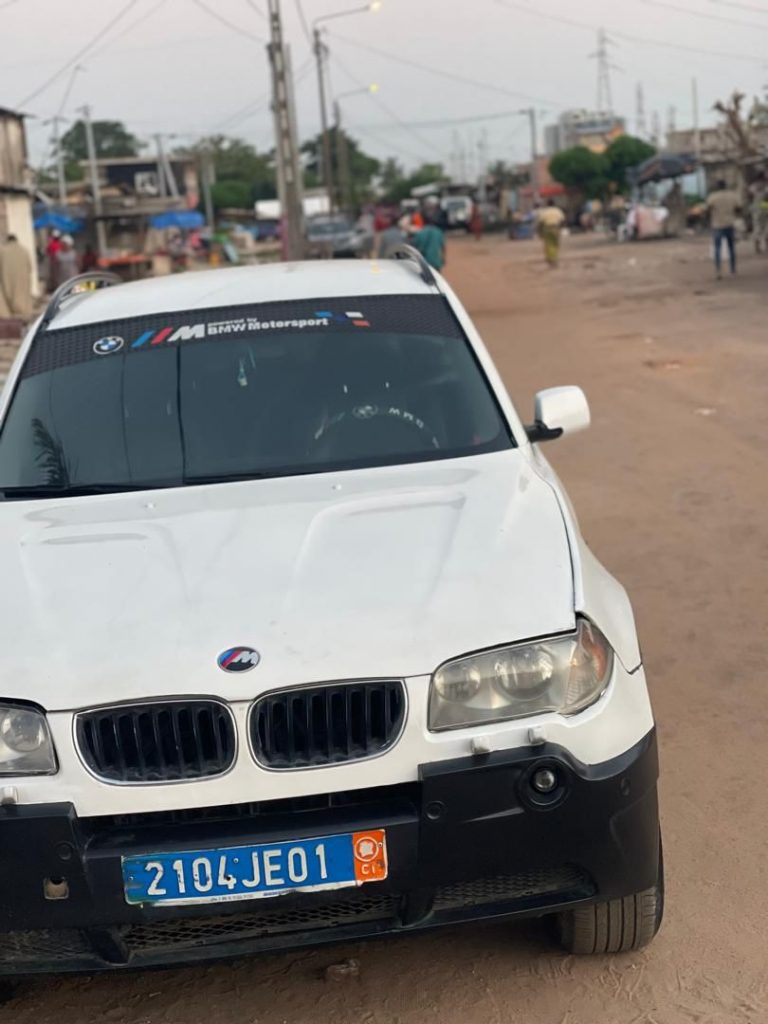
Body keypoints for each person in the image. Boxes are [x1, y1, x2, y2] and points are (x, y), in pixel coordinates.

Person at [706, 179, 740, 278]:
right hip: (729, 223)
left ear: (717, 186)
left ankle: (718, 271)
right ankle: (732, 270)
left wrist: (710, 219)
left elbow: (708, 210)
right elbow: (739, 208)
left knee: (717, 248)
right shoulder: (732, 195)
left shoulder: (713, 197)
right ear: (725, 186)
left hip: (717, 225)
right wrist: (732, 213)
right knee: (731, 248)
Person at [0, 234, 33, 320]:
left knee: (8, 295)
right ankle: (22, 315)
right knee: (21, 295)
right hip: (22, 279)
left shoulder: (3, 251)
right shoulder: (24, 250)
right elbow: (30, 268)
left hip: (6, 279)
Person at [537, 198, 566, 267]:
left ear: (547, 204)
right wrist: (560, 228)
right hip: (555, 228)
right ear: (554, 204)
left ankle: (550, 259)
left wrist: (540, 232)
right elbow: (562, 220)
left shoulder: (544, 211)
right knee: (555, 244)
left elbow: (540, 223)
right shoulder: (557, 211)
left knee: (548, 244)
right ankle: (554, 259)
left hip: (547, 229)